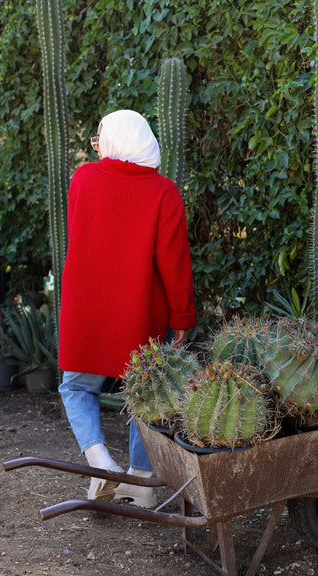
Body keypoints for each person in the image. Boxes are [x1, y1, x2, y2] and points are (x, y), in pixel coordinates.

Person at [58, 109, 196, 507]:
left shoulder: (82, 180)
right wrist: (182, 316)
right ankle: (138, 480)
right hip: (140, 315)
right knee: (145, 394)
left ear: (115, 141)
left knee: (75, 386)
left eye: (99, 138)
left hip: (87, 313)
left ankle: (100, 463)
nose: (96, 147)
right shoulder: (163, 192)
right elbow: (175, 262)